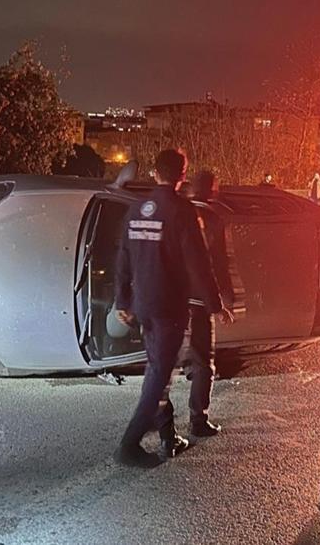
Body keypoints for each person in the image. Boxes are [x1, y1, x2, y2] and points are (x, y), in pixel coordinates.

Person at [114, 149, 234, 468]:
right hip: (169, 307)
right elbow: (199, 263)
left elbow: (124, 256)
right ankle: (130, 444)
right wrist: (215, 304)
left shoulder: (138, 207)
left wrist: (122, 301)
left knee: (157, 371)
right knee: (157, 378)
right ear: (183, 174)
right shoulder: (182, 211)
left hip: (144, 305)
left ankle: (162, 429)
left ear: (155, 173)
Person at [187, 170, 237, 437]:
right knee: (203, 361)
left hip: (171, 299)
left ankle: (159, 420)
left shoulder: (177, 213)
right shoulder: (214, 220)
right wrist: (222, 300)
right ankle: (198, 418)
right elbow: (217, 263)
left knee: (163, 362)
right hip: (199, 300)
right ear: (213, 190)